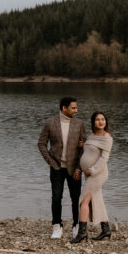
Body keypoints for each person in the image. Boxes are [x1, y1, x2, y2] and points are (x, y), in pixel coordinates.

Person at [37, 96, 86, 239]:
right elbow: (41, 144)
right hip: (57, 168)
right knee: (56, 197)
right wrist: (51, 162)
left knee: (75, 198)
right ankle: (57, 226)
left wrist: (79, 168)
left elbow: (84, 147)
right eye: (73, 108)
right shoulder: (50, 123)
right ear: (64, 108)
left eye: (76, 108)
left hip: (74, 168)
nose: (76, 110)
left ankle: (76, 226)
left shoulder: (79, 124)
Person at [71, 110, 114, 243]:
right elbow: (86, 153)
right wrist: (79, 167)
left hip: (98, 174)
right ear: (93, 122)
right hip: (88, 174)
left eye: (102, 119)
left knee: (83, 201)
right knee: (97, 200)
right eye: (97, 120)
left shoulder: (107, 138)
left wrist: (92, 170)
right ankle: (106, 231)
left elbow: (104, 159)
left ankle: (82, 234)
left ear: (105, 122)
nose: (100, 122)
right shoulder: (91, 136)